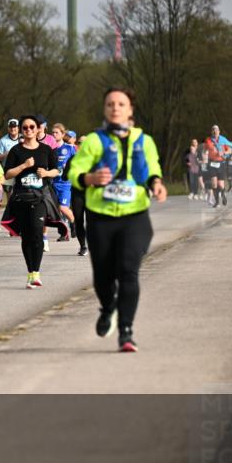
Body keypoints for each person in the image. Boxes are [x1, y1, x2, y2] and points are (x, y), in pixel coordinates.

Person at [69, 86, 166, 353]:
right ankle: (108, 306)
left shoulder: (143, 140)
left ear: (130, 110)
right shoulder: (94, 141)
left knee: (128, 271)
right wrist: (89, 178)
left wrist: (156, 182)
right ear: (105, 109)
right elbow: (75, 170)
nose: (115, 108)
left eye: (121, 104)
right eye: (110, 104)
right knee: (102, 275)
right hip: (101, 217)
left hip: (134, 216)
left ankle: (126, 331)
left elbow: (153, 166)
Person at [0, 114, 60, 289]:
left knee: (36, 230)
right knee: (26, 236)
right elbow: (7, 174)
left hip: (40, 196)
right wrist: (24, 166)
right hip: (21, 196)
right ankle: (30, 272)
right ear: (21, 130)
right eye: (25, 128)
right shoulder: (16, 151)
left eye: (31, 127)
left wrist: (47, 174)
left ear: (38, 129)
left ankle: (37, 272)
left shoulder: (46, 149)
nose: (28, 130)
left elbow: (57, 170)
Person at [51, 123, 77, 241]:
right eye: (53, 132)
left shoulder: (70, 148)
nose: (54, 134)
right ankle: (63, 233)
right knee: (54, 210)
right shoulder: (51, 149)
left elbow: (77, 163)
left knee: (63, 207)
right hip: (52, 183)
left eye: (57, 132)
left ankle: (74, 224)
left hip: (65, 184)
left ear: (62, 134)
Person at [0, 118, 21, 232]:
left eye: (15, 127)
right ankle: (13, 223)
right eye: (11, 127)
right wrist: (7, 154)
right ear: (8, 128)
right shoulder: (3, 140)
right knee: (11, 197)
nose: (13, 129)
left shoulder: (22, 138)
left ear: (18, 128)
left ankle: (21, 221)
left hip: (22, 171)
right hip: (9, 171)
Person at [67, 131, 89, 256]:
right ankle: (83, 246)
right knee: (79, 220)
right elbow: (65, 176)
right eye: (80, 143)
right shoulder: (73, 159)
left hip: (92, 194)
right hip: (77, 194)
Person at [203, 125, 232, 207]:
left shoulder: (223, 140)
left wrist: (224, 153)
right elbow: (205, 150)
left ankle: (223, 196)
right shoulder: (208, 140)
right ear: (211, 132)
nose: (215, 131)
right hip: (212, 163)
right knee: (214, 183)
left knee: (221, 184)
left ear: (219, 131)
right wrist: (205, 156)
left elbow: (230, 150)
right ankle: (217, 201)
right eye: (213, 130)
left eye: (216, 130)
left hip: (221, 163)